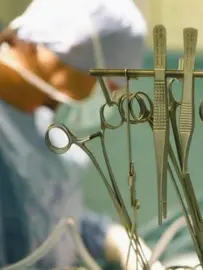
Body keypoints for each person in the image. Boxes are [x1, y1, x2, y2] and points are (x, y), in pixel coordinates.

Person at [0, 0, 162, 269]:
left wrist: (112, 240)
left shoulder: (39, 123)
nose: (111, 96)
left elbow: (49, 218)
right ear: (60, 52)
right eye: (108, 84)